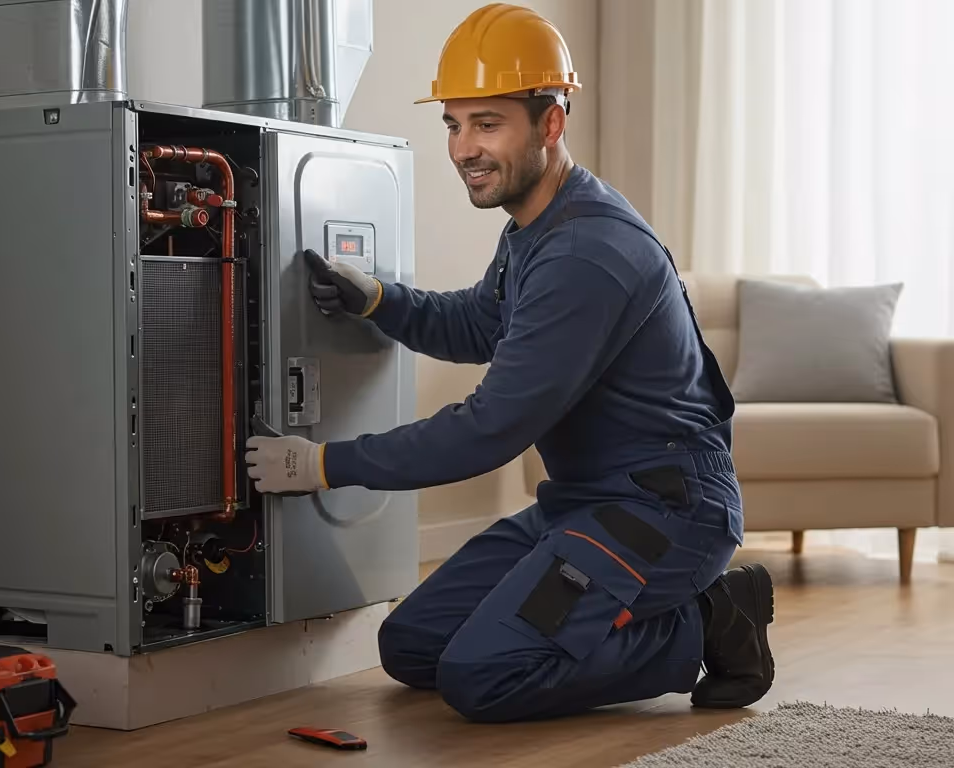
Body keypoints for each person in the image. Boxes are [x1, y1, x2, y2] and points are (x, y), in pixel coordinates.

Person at [243, 3, 775, 723]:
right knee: (412, 646)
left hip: (661, 512)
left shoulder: (588, 253)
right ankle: (608, 620)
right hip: (583, 505)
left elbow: (490, 428)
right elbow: (481, 322)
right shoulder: (536, 227)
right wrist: (378, 301)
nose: (463, 148)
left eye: (487, 123)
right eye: (454, 125)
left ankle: (711, 620)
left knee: (483, 676)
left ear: (550, 123)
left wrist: (323, 465)